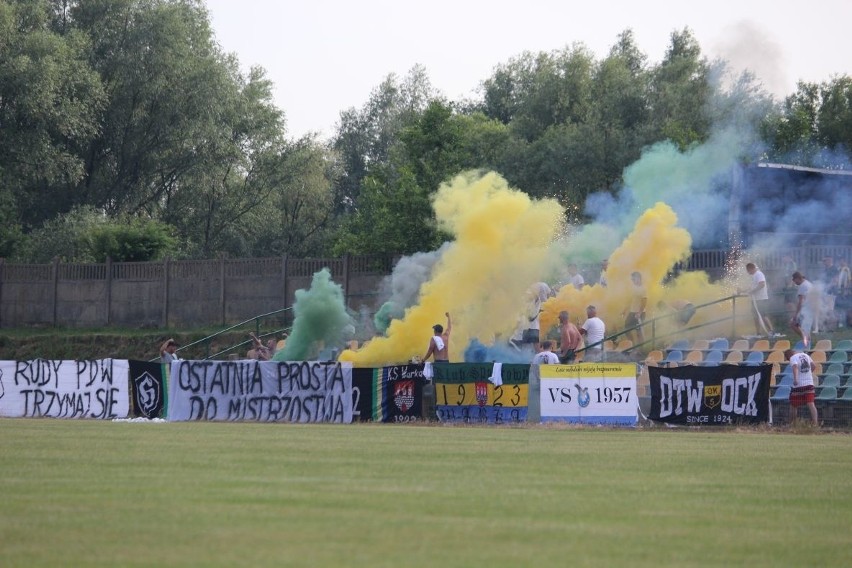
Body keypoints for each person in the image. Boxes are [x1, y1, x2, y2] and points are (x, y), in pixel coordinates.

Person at [783, 348, 819, 427]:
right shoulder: (806, 355)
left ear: (788, 356)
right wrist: (808, 374)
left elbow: (795, 367)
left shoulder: (793, 358)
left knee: (793, 404)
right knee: (811, 404)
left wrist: (796, 379)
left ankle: (792, 424)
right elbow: (813, 366)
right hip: (809, 383)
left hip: (799, 385)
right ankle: (815, 424)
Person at [742, 262, 774, 336]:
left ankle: (771, 330)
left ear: (751, 268)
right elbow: (751, 287)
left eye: (748, 270)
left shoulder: (759, 274)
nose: (747, 272)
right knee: (755, 315)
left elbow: (762, 284)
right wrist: (743, 290)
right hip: (755, 299)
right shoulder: (754, 276)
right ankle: (758, 332)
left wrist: (752, 291)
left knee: (763, 315)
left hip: (761, 298)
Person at [790, 272, 814, 349]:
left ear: (797, 278)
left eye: (794, 280)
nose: (794, 282)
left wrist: (796, 314)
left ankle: (807, 345)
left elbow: (801, 301)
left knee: (795, 325)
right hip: (809, 310)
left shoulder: (803, 286)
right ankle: (807, 341)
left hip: (806, 311)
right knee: (802, 327)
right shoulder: (808, 284)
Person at [623, 272, 647, 345]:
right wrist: (625, 310)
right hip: (632, 312)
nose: (632, 280)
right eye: (632, 279)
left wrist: (639, 313)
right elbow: (630, 300)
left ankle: (641, 349)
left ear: (639, 278)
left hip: (640, 313)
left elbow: (644, 302)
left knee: (639, 331)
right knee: (626, 328)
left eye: (634, 278)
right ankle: (632, 345)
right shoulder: (633, 288)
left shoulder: (643, 289)